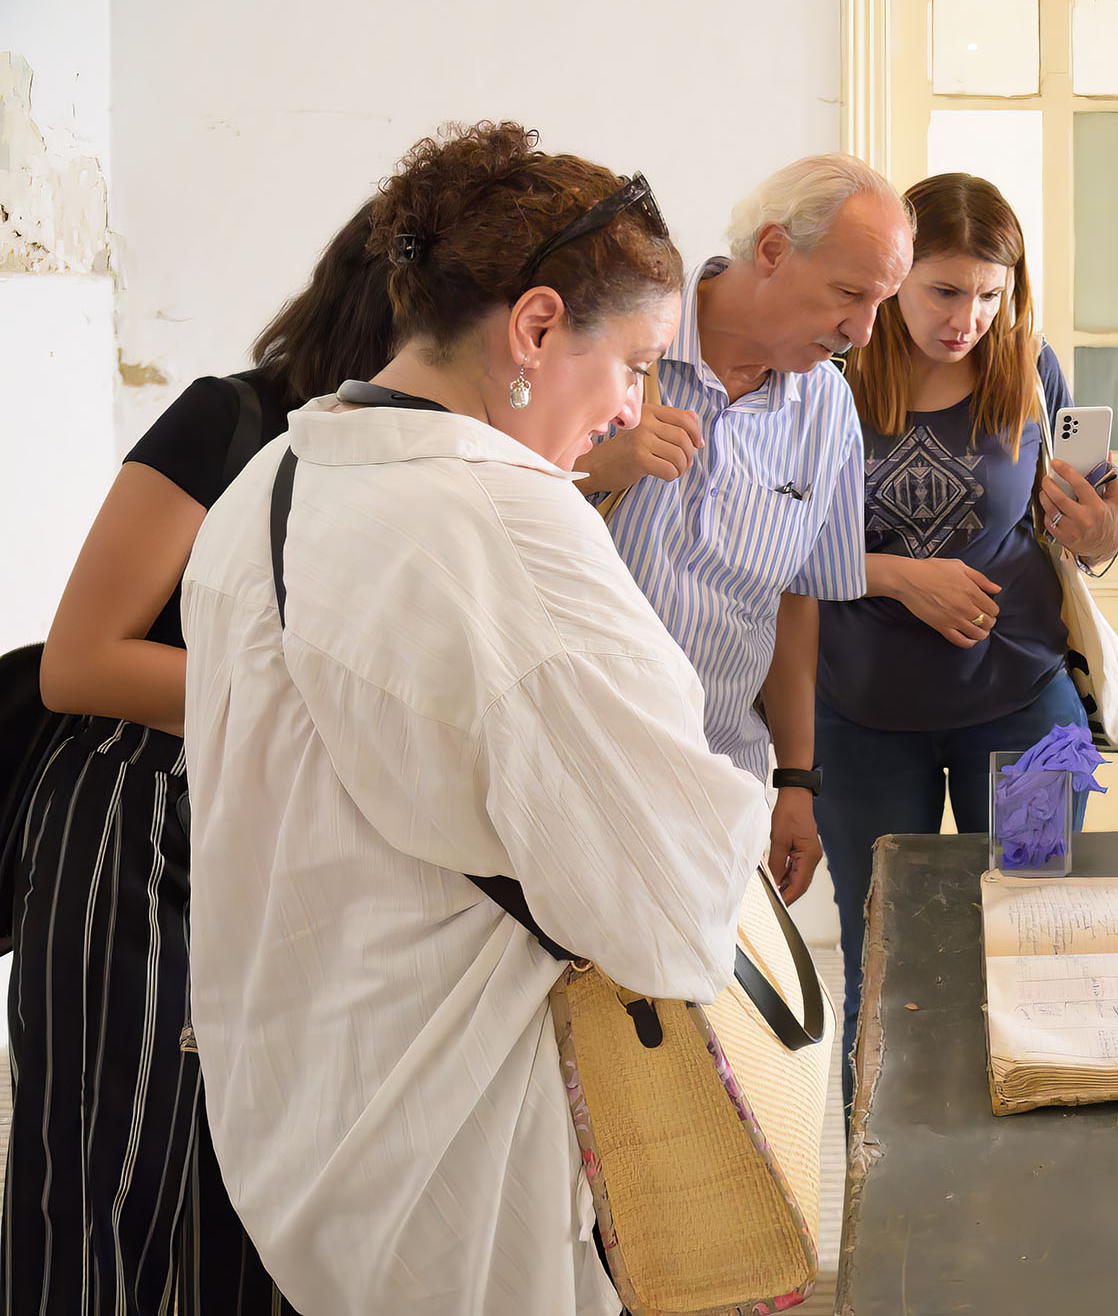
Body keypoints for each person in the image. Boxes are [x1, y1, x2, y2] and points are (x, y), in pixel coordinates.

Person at [178, 122, 769, 1315]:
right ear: (536, 327)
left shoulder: (268, 488)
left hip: (300, 1108)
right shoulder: (506, 525)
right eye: (635, 362)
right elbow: (675, 911)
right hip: (464, 1132)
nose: (632, 407)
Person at [4, 196, 394, 1314]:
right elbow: (78, 663)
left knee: (261, 1191)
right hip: (135, 817)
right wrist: (311, 703)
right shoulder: (235, 417)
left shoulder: (425, 466)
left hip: (289, 836)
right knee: (98, 1180)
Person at [817, 172, 1118, 1108]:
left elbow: (1093, 517)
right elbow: (778, 547)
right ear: (894, 276)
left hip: (1025, 713)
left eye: (991, 294)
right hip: (862, 718)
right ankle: (890, 1177)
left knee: (1032, 946)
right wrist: (897, 574)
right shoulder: (828, 372)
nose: (967, 320)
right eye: (944, 291)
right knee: (884, 964)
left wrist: (1100, 534)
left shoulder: (1028, 363)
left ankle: (1029, 1176)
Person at [573, 154, 913, 904]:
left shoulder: (828, 409)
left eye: (881, 303)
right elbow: (489, 494)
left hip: (722, 782)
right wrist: (597, 466)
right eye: (850, 293)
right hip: (581, 769)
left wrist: (796, 782)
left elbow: (795, 603)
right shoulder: (622, 337)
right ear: (772, 249)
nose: (862, 331)